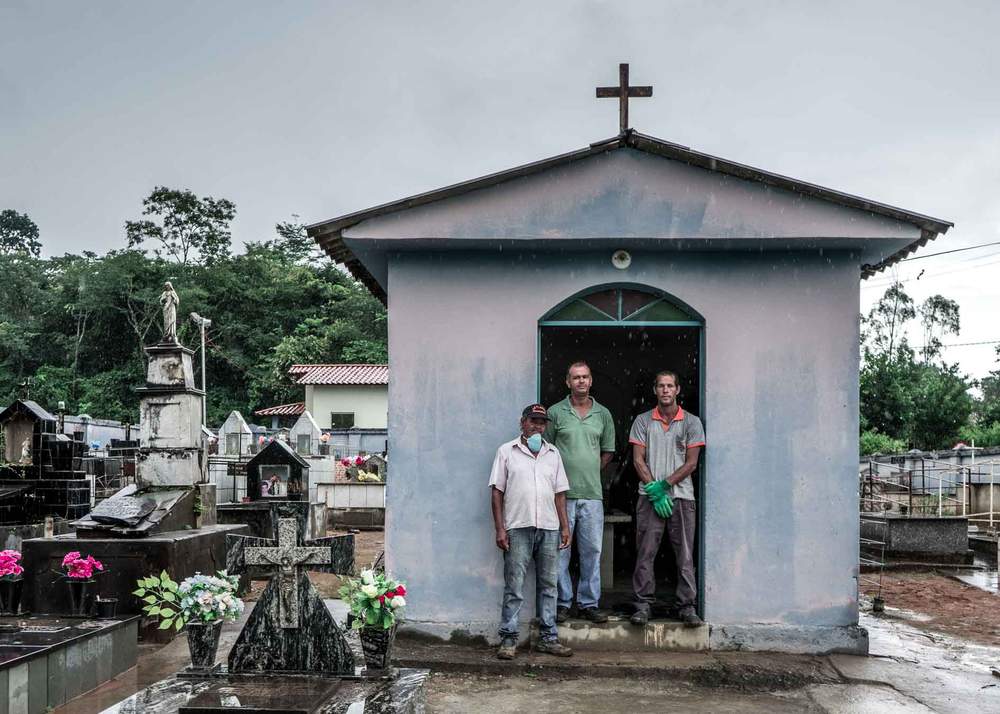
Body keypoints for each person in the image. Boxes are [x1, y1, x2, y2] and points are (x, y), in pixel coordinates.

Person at [489, 404, 573, 660]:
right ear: (522, 423)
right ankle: (509, 638)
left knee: (549, 585)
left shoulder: (553, 454)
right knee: (514, 585)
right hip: (518, 528)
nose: (538, 426)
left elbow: (560, 494)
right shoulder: (507, 452)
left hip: (549, 527)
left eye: (542, 422)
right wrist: (500, 528)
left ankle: (548, 638)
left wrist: (565, 526)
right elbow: (496, 492)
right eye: (533, 421)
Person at [629, 371, 705, 627]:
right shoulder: (642, 420)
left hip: (682, 497)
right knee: (645, 553)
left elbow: (692, 463)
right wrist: (653, 489)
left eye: (669, 386)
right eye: (661, 386)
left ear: (677, 389)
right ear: (655, 390)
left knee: (684, 554)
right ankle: (642, 606)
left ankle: (686, 606)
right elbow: (638, 459)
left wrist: (664, 485)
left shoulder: (692, 422)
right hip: (649, 498)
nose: (665, 390)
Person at [545, 361, 615, 623]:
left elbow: (608, 451)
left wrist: (590, 469)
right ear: (568, 382)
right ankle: (562, 603)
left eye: (585, 377)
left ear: (591, 380)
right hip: (560, 495)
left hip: (592, 495)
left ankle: (588, 603)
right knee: (560, 551)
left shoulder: (603, 414)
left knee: (592, 551)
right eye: (576, 378)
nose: (581, 381)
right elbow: (547, 450)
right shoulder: (555, 412)